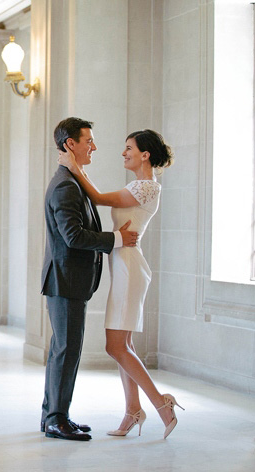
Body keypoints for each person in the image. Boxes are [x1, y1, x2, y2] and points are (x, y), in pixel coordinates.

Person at [58, 128, 184, 439]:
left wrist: (75, 167)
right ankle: (132, 411)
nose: (124, 153)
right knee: (122, 345)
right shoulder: (138, 185)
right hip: (124, 265)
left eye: (129, 148)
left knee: (115, 346)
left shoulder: (146, 188)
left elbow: (98, 198)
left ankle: (161, 404)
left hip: (129, 267)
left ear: (145, 154)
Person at [40, 117, 138, 441]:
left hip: (69, 280)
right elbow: (73, 236)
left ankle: (54, 416)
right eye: (88, 141)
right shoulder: (66, 185)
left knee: (63, 350)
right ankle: (56, 419)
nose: (94, 146)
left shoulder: (72, 179)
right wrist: (116, 239)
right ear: (71, 144)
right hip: (66, 280)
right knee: (67, 351)